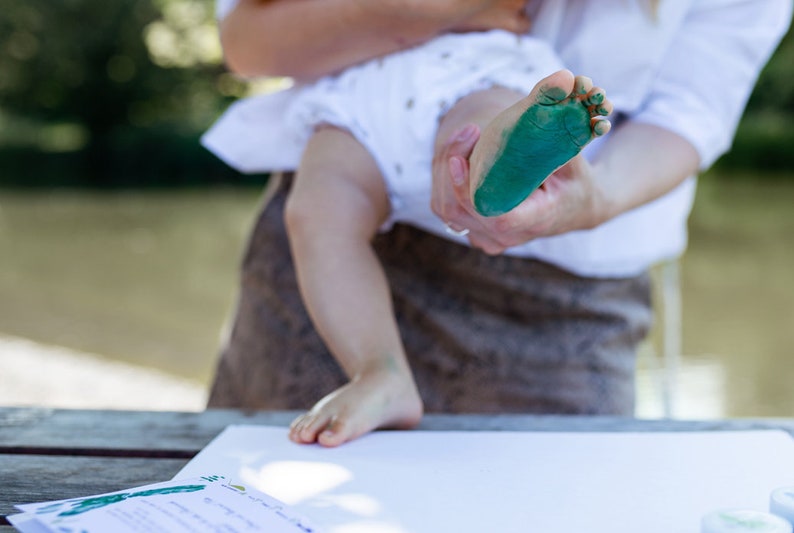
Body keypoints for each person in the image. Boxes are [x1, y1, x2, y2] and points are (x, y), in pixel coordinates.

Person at [203, 0, 792, 445]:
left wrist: (599, 197)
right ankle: (379, 372)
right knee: (315, 209)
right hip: (355, 93)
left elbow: (690, 110)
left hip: (478, 73)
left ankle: (510, 161)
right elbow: (250, 35)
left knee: (475, 123)